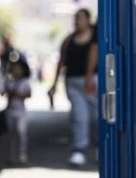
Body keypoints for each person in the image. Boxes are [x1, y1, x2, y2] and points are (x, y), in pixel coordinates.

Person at [49, 9, 98, 166]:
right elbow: (61, 62)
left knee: (98, 116)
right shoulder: (69, 40)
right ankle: (79, 150)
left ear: (88, 20)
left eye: (80, 19)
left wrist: (89, 78)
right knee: (79, 116)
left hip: (91, 82)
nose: (77, 22)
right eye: (75, 19)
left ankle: (100, 147)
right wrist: (54, 85)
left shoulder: (94, 37)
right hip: (72, 83)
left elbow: (93, 56)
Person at [0, 58, 32, 165]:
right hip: (10, 110)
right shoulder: (8, 81)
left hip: (20, 111)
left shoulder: (24, 82)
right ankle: (11, 155)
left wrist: (19, 94)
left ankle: (22, 153)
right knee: (11, 133)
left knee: (21, 131)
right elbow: (2, 92)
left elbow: (29, 94)